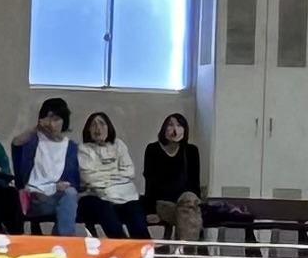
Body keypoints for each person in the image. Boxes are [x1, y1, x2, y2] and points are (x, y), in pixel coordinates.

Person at [75, 111, 145, 239]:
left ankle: (145, 247)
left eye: (102, 124)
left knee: (134, 210)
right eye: (93, 125)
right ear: (88, 129)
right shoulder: (83, 149)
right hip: (94, 196)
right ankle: (122, 245)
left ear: (109, 127)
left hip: (123, 196)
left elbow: (130, 172)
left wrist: (104, 177)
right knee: (104, 208)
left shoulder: (119, 145)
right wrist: (116, 176)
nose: (98, 128)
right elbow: (89, 178)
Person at [14, 96, 80, 231]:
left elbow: (74, 181)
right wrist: (36, 128)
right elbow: (16, 144)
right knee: (66, 204)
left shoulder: (71, 147)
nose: (52, 124)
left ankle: (62, 239)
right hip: (34, 196)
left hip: (58, 195)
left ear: (64, 121)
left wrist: (62, 185)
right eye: (48, 118)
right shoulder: (33, 141)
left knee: (70, 195)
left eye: (56, 119)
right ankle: (64, 240)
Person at [145, 112, 205, 240]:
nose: (175, 129)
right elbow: (149, 182)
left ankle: (182, 248)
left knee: (189, 203)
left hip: (187, 201)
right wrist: (150, 210)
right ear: (164, 129)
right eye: (170, 125)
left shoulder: (191, 151)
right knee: (189, 216)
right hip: (164, 203)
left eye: (179, 125)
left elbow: (194, 182)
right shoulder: (153, 149)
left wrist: (196, 203)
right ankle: (187, 249)